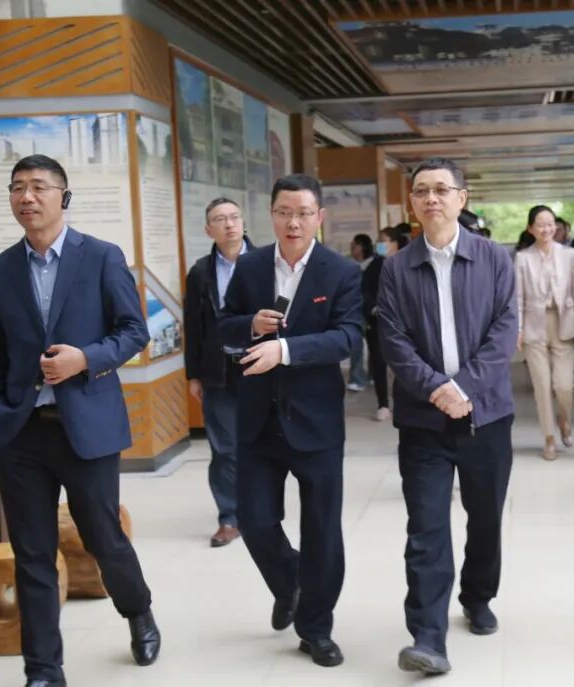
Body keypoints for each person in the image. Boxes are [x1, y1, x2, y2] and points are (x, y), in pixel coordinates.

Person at [0, 154, 159, 686]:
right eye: (17, 188)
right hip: (21, 433)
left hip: (87, 428)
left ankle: (138, 610)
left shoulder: (100, 257)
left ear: (63, 196)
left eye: (38, 186)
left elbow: (134, 331)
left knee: (103, 538)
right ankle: (43, 670)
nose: (27, 197)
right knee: (32, 553)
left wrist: (85, 359)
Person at [217, 174, 363, 668]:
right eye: (284, 212)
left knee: (322, 530)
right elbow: (223, 326)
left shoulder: (340, 272)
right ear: (272, 216)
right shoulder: (251, 266)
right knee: (254, 521)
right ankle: (290, 583)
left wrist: (284, 349)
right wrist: (249, 325)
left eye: (302, 213)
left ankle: (316, 629)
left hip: (316, 421)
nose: (293, 222)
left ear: (319, 217)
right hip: (258, 419)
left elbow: (347, 337)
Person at [378, 157, 516, 675]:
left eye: (441, 189)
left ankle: (478, 597)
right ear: (412, 203)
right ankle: (428, 636)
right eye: (421, 191)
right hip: (423, 422)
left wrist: (463, 387)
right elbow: (393, 339)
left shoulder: (494, 259)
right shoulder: (396, 267)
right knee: (426, 527)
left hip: (487, 416)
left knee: (485, 518)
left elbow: (505, 331)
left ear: (462, 197)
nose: (431, 198)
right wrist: (437, 389)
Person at [184, 197, 254, 547]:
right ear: (208, 229)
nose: (229, 224)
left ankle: (260, 510)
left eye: (234, 217)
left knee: (262, 445)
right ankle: (229, 517)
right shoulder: (200, 272)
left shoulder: (266, 262)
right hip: (219, 371)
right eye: (220, 219)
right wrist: (193, 374)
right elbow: (193, 326)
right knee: (225, 448)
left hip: (260, 366)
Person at [515, 204, 574, 460]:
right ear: (530, 229)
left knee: (564, 386)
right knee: (542, 386)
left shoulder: (569, 254)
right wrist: (518, 329)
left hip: (563, 323)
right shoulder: (523, 258)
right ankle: (549, 437)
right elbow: (517, 297)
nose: (546, 229)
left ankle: (564, 420)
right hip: (534, 326)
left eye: (550, 224)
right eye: (540, 225)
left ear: (556, 227)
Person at [356, 232, 390, 421]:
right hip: (377, 321)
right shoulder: (373, 265)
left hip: (402, 323)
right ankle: (383, 403)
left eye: (383, 241)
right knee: (378, 362)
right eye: (378, 241)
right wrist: (373, 308)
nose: (380, 245)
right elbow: (365, 292)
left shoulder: (407, 262)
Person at [346, 235, 371, 392]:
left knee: (375, 347)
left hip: (371, 310)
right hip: (354, 310)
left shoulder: (375, 263)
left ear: (361, 247)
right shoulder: (348, 264)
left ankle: (372, 376)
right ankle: (357, 378)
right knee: (356, 345)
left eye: (354, 245)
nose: (351, 248)